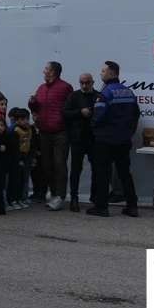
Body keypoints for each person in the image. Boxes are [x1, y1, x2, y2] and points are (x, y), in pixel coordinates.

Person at [87, 61, 140, 218]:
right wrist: (129, 132)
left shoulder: (105, 93)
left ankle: (101, 207)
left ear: (112, 73)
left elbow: (98, 116)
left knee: (103, 173)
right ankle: (132, 206)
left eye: (104, 71)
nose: (101, 74)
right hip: (123, 140)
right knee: (125, 173)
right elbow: (136, 115)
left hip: (105, 140)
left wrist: (94, 130)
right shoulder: (129, 92)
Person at [27, 61, 72, 211]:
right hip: (44, 132)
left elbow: (71, 107)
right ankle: (53, 193)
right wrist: (32, 103)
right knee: (46, 164)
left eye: (46, 69)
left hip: (61, 132)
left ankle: (60, 196)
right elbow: (37, 107)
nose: (44, 71)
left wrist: (62, 120)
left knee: (59, 163)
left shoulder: (65, 87)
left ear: (53, 71)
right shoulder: (41, 88)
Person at [62, 73, 98, 212]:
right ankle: (74, 198)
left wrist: (92, 112)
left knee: (97, 169)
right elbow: (65, 113)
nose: (84, 85)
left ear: (92, 82)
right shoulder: (74, 96)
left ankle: (95, 198)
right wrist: (80, 112)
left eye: (87, 82)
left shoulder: (98, 96)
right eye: (82, 82)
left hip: (94, 139)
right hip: (77, 139)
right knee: (76, 169)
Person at [7, 108, 34, 209]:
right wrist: (19, 160)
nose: (26, 121)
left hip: (25, 157)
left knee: (22, 180)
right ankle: (12, 200)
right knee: (14, 180)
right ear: (17, 120)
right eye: (22, 119)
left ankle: (19, 199)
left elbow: (30, 144)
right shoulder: (14, 131)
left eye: (27, 119)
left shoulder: (29, 130)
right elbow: (14, 148)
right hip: (16, 159)